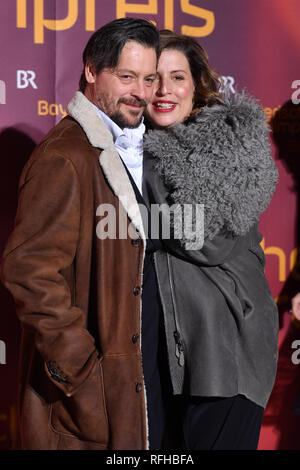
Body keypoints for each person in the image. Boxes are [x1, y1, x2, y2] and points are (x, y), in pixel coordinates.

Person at [0, 18, 167, 450]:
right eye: (127, 76)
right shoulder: (66, 156)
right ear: (92, 71)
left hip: (126, 383)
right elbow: (29, 271)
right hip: (84, 398)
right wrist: (81, 369)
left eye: (149, 78)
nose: (142, 92)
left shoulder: (118, 145)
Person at [142, 30, 279, 450]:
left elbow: (204, 240)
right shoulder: (130, 147)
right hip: (164, 352)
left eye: (177, 77)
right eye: (152, 78)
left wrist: (139, 221)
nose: (164, 90)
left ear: (196, 84)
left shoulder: (227, 143)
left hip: (226, 352)